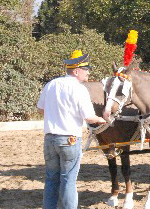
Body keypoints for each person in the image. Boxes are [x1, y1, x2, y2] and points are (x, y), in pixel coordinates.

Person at [37, 50, 106, 209]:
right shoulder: (80, 89)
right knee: (68, 180)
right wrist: (102, 119)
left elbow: (41, 109)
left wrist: (56, 113)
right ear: (76, 71)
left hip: (49, 140)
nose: (88, 72)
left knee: (51, 179)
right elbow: (89, 117)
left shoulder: (51, 84)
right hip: (69, 140)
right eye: (86, 69)